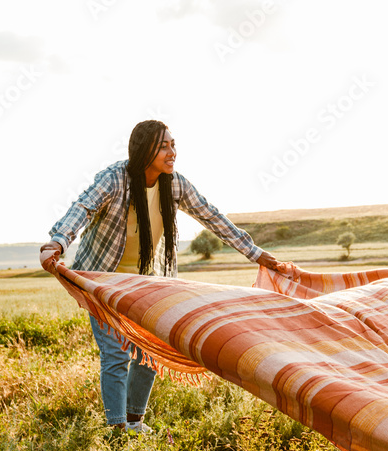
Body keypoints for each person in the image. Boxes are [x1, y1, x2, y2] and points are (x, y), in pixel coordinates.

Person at [40, 120, 284, 434]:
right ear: (144, 151)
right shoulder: (114, 179)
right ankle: (116, 431)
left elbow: (210, 215)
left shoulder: (174, 183)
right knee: (115, 353)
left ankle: (133, 422)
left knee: (148, 351)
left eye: (173, 144)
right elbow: (83, 207)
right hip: (101, 280)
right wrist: (58, 241)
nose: (172, 152)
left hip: (145, 282)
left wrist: (254, 252)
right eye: (164, 146)